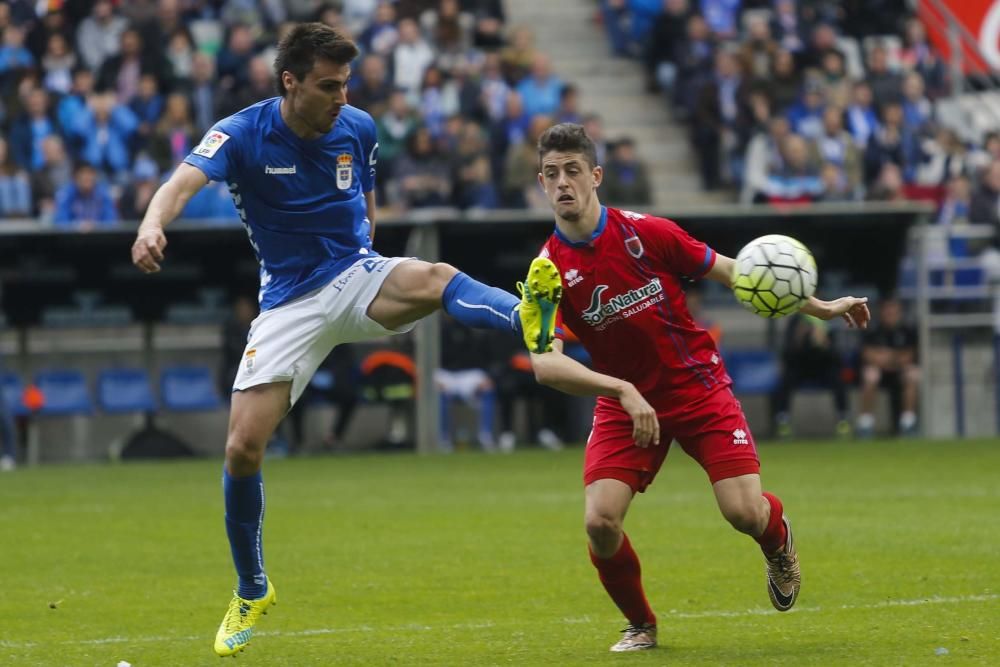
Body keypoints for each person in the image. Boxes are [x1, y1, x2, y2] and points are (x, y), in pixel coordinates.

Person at [128, 23, 558, 658]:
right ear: (290, 81)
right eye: (328, 85)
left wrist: (372, 262)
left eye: (346, 83)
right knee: (242, 448)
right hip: (288, 304)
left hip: (355, 274)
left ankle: (528, 316)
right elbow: (180, 183)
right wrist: (150, 226)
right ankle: (252, 587)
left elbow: (368, 201)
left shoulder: (358, 126)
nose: (341, 96)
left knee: (436, 277)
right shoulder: (243, 132)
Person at [517, 123, 869, 652]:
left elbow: (736, 273)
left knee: (742, 513)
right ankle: (642, 625)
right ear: (541, 183)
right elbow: (545, 364)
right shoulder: (546, 273)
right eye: (551, 174)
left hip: (698, 388)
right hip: (626, 403)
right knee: (600, 522)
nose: (562, 182)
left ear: (596, 176)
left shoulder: (647, 233)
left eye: (572, 171)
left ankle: (778, 543)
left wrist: (820, 307)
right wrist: (621, 391)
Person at [772, 312, 851, 438]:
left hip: (823, 367)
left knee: (838, 379)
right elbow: (787, 355)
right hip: (800, 367)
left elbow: (837, 358)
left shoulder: (827, 318)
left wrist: (824, 344)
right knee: (785, 380)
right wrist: (799, 339)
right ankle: (783, 420)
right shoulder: (796, 321)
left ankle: (843, 419)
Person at [857, 297, 919, 437]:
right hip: (879, 371)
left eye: (893, 310)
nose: (890, 313)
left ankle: (908, 423)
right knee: (870, 375)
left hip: (899, 371)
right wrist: (893, 357)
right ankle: (865, 424)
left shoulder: (907, 330)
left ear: (899, 311)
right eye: (887, 310)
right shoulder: (872, 329)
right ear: (881, 311)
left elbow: (909, 356)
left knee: (913, 374)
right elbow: (867, 354)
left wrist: (887, 356)